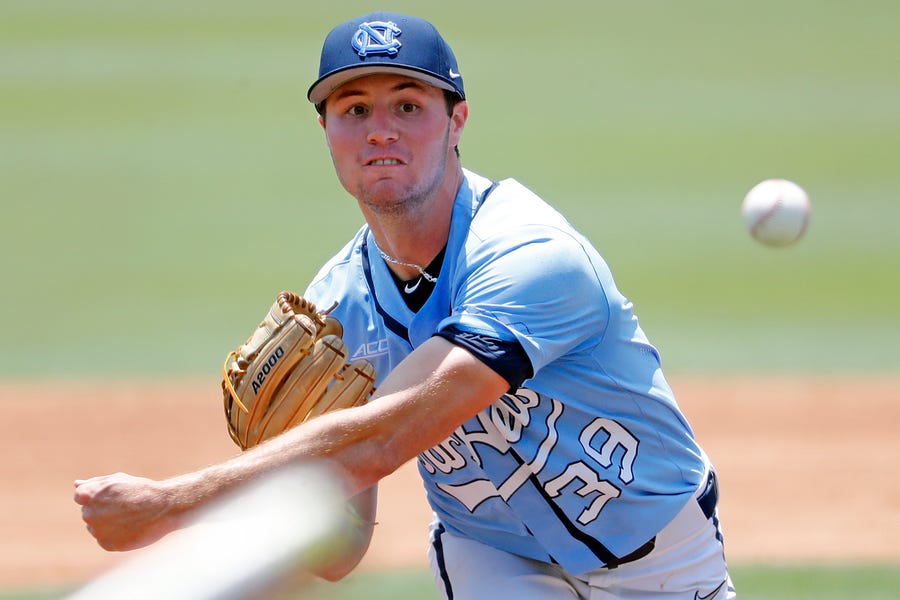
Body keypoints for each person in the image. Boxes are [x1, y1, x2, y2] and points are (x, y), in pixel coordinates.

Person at [75, 12, 736, 599]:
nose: (380, 131)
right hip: (493, 557)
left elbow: (388, 438)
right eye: (354, 109)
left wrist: (170, 504)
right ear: (326, 130)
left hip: (662, 558)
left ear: (457, 120)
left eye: (408, 105)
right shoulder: (337, 311)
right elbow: (342, 551)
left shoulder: (532, 256)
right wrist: (287, 489)